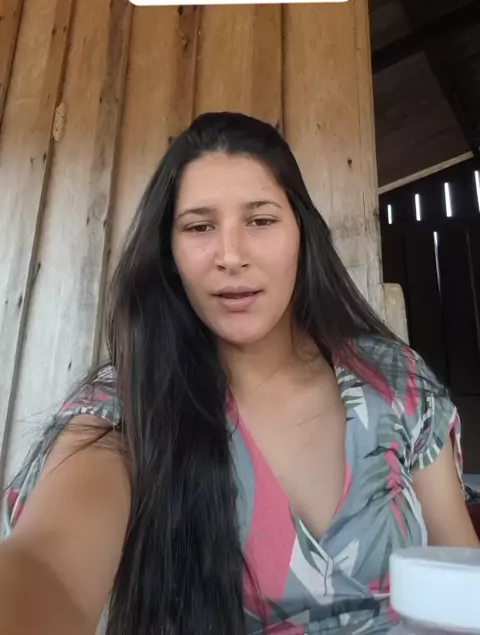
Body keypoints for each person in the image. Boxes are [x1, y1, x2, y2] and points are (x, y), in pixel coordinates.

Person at [0, 111, 478, 635]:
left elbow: (462, 571)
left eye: (261, 220)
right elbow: (49, 568)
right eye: (199, 227)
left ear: (302, 233)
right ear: (170, 254)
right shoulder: (127, 408)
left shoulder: (393, 379)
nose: (230, 256)